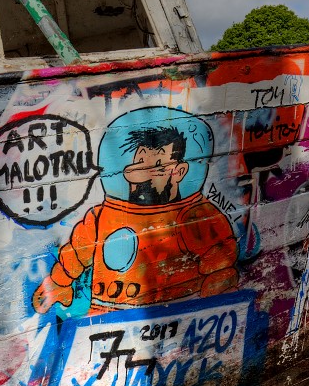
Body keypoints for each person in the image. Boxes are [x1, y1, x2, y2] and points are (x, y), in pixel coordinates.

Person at [33, 125, 239, 315]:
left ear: (179, 172)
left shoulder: (194, 216)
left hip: (176, 319)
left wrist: (212, 305)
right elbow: (76, 254)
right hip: (104, 320)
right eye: (140, 161)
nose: (142, 171)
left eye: (157, 163)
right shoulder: (101, 218)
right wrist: (57, 285)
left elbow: (220, 267)